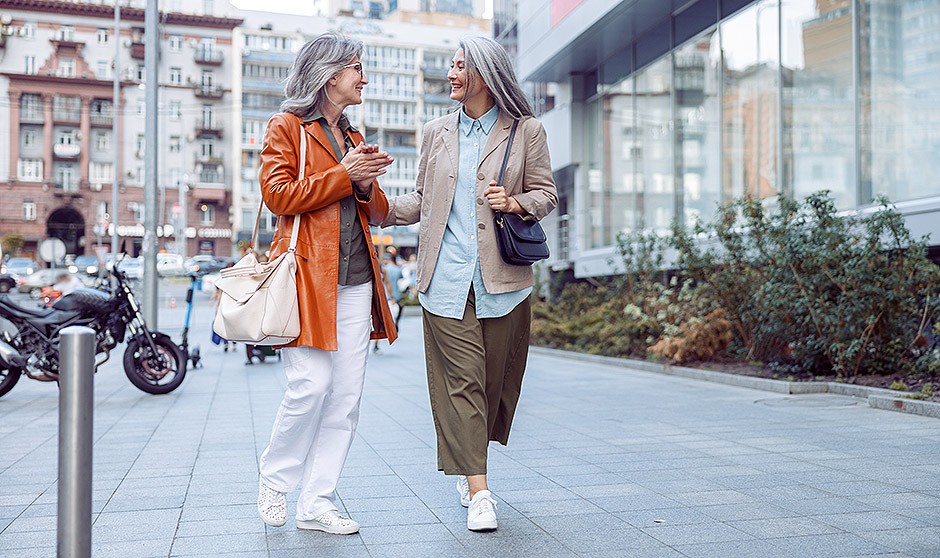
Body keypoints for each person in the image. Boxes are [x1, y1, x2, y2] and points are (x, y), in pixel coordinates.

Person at [382, 36, 557, 531]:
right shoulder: (436, 131)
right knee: (462, 383)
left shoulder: (526, 131)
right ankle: (480, 491)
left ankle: (468, 460)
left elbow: (546, 192)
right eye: (451, 65)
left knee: (493, 384)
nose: (451, 73)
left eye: (459, 66)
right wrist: (374, 203)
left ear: (485, 73)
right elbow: (420, 199)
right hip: (445, 280)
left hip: (503, 281)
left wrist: (516, 202)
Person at [255, 32, 398, 535]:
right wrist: (344, 174)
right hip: (305, 279)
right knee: (310, 386)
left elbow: (376, 211)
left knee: (346, 397)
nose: (364, 76)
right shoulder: (286, 128)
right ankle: (276, 478)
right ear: (328, 73)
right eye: (356, 66)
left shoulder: (355, 138)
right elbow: (278, 195)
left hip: (357, 280)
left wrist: (363, 182)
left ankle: (317, 501)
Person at [372, 251, 404, 354]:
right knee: (380, 320)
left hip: (378, 297)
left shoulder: (382, 269)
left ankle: (376, 344)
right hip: (385, 297)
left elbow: (387, 284)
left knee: (377, 320)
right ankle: (378, 342)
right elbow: (388, 285)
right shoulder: (387, 269)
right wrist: (392, 297)